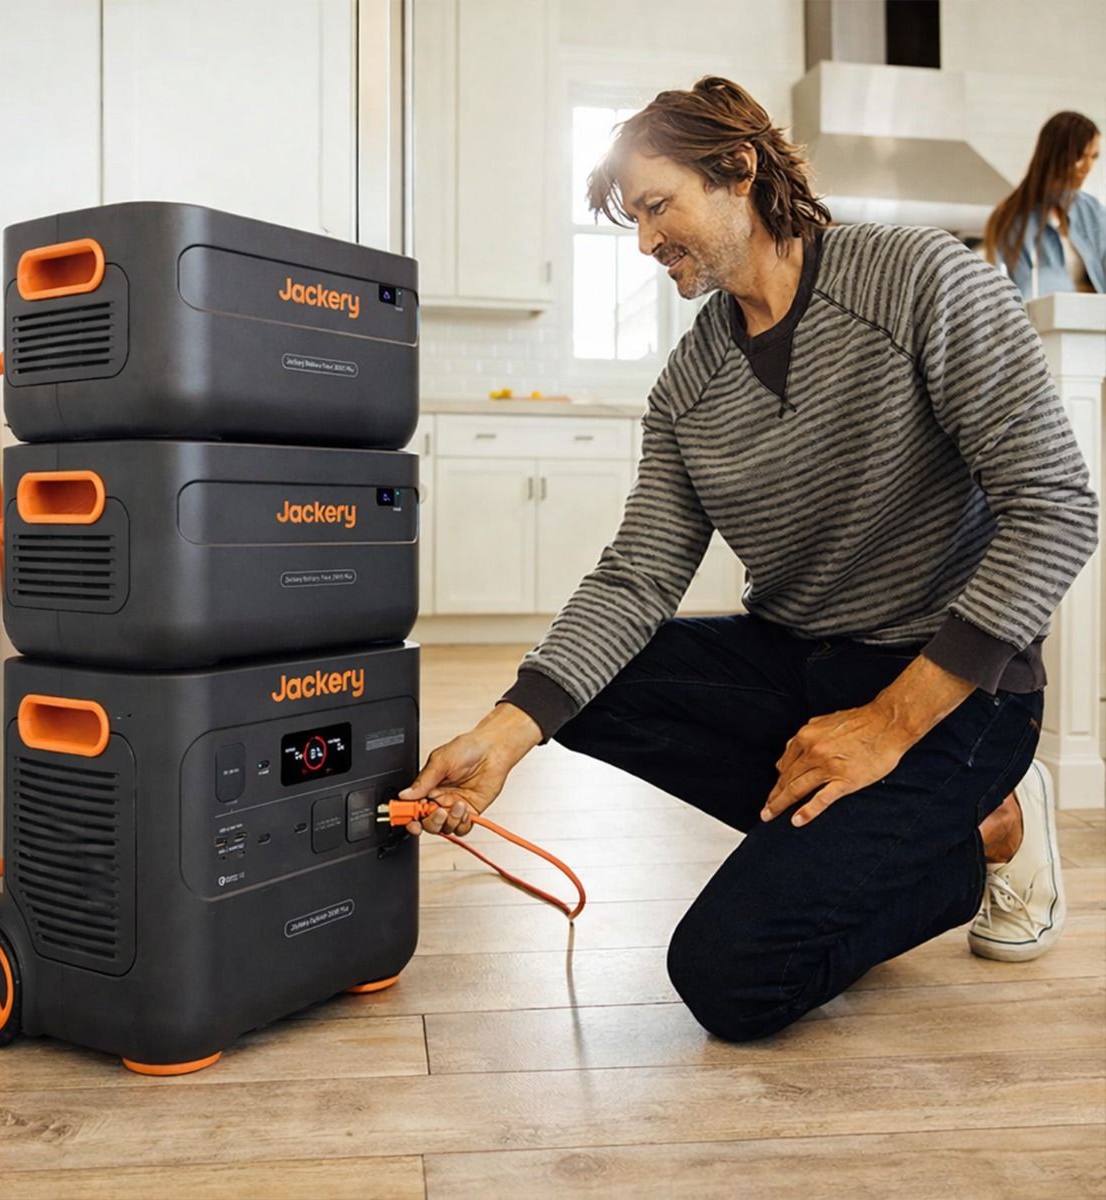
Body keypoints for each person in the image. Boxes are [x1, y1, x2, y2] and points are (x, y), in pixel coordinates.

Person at [398, 76, 1100, 1041]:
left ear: (739, 169)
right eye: (633, 219)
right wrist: (503, 737)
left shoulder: (922, 280)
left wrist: (889, 726)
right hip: (802, 666)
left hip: (952, 692)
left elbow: (1055, 508)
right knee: (586, 685)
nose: (645, 242)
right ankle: (925, 832)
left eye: (657, 206)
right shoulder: (689, 383)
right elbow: (637, 576)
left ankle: (978, 838)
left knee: (730, 978)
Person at [983, 110, 1104, 298]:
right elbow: (1019, 294)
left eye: (1094, 157)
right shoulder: (1013, 220)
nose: (1087, 168)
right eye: (1080, 156)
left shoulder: (1092, 210)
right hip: (1047, 316)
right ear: (1055, 155)